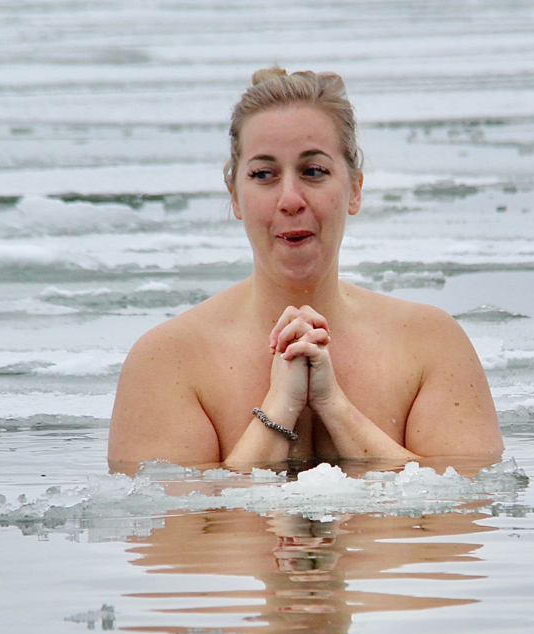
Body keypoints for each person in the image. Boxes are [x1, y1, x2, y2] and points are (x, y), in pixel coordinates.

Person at [108, 67, 502, 468]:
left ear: (355, 188)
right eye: (264, 175)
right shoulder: (168, 360)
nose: (290, 199)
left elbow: (461, 514)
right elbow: (181, 525)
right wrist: (279, 410)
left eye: (313, 172)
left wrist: (337, 408)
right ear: (236, 197)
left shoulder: (428, 344)